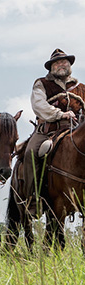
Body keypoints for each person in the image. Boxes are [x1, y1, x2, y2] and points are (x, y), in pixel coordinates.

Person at [23, 48, 85, 214]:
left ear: (69, 64)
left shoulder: (81, 88)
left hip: (76, 130)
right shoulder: (41, 83)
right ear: (51, 67)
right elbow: (39, 105)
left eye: (64, 61)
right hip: (48, 131)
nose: (61, 65)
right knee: (30, 153)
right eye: (57, 63)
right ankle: (33, 198)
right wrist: (60, 114)